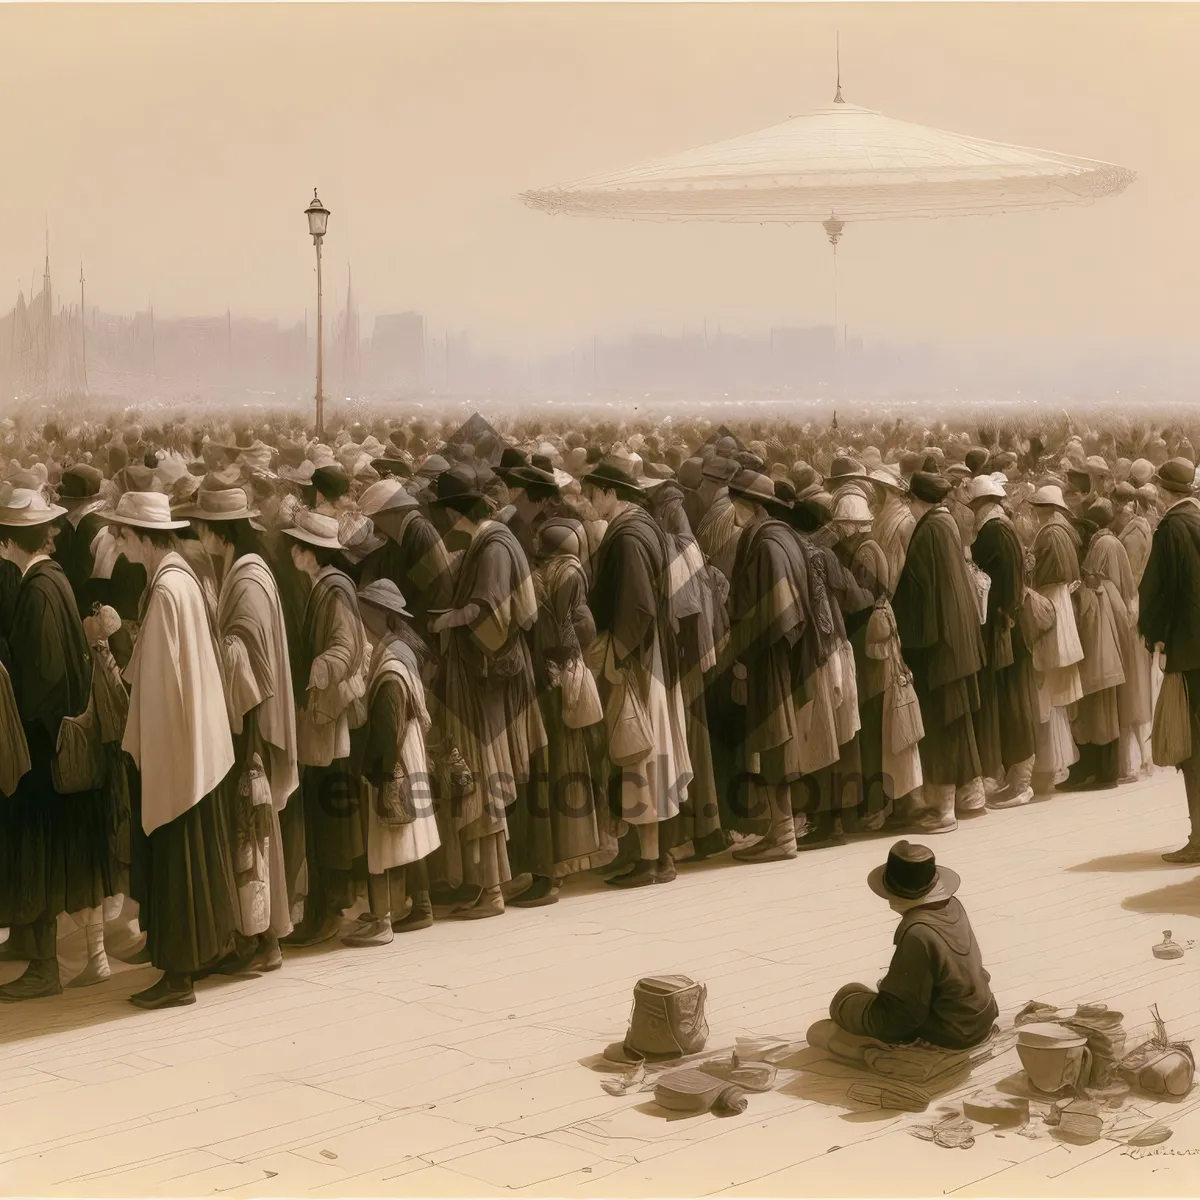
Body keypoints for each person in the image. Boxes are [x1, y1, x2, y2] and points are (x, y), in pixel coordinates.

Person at [108, 489, 240, 1009]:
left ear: (142, 537)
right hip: (198, 744)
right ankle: (196, 958)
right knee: (198, 857)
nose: (119, 544)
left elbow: (161, 684)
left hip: (176, 751)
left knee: (177, 861)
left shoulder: (164, 589)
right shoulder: (180, 576)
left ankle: (178, 974)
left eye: (123, 534)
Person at [0, 486, 113, 1001]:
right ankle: (38, 950)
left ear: (8, 543)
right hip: (56, 740)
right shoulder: (53, 579)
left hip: (42, 748)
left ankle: (45, 968)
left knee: (38, 854)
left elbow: (42, 675)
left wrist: (17, 724)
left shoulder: (38, 589)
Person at [186, 484, 299, 972]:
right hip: (246, 721)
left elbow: (246, 659)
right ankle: (255, 938)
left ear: (216, 531)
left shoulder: (247, 580)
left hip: (247, 725)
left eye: (202, 526)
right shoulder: (244, 570)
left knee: (252, 831)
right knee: (253, 832)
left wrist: (211, 646)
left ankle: (264, 941)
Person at [427, 466, 548, 917]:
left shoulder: (492, 545)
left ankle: (492, 889)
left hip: (483, 681)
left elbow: (487, 608)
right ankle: (489, 884)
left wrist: (445, 620)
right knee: (483, 776)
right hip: (485, 678)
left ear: (459, 514)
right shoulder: (495, 540)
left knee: (481, 776)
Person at [584, 453, 692, 887]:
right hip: (654, 655)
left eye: (593, 495)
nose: (591, 503)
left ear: (610, 493)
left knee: (641, 756)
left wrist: (618, 657)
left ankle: (649, 861)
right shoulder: (644, 525)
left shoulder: (627, 535)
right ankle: (655, 854)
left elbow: (638, 606)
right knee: (652, 754)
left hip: (638, 660)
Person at [281, 509, 369, 947]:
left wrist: (314, 673)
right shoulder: (321, 585)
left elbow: (346, 648)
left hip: (329, 719)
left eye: (297, 546)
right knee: (322, 817)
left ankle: (328, 910)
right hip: (322, 716)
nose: (292, 552)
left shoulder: (333, 588)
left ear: (309, 552)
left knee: (328, 818)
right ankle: (321, 908)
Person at [339, 580, 440, 944]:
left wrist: (376, 771)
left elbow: (387, 722)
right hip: (408, 745)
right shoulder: (401, 649)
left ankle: (381, 921)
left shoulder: (391, 663)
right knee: (411, 831)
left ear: (380, 615)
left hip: (395, 752)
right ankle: (423, 904)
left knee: (381, 842)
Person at [825, 840, 998, 1049]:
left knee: (846, 996)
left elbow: (902, 1018)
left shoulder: (918, 933)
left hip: (953, 1032)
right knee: (863, 994)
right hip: (980, 1016)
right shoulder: (953, 906)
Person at [891, 472, 985, 834]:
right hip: (956, 646)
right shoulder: (946, 525)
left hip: (938, 650)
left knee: (942, 731)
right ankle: (952, 804)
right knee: (955, 728)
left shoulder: (930, 529)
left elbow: (917, 592)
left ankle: (944, 811)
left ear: (917, 500)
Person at [1138, 458, 1200, 862]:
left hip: (1188, 652)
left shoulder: (1170, 528)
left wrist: (1155, 636)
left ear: (1164, 491)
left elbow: (1157, 591)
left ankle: (1199, 839)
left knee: (1191, 747)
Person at [968, 476, 1038, 809]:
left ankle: (1020, 783)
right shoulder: (1005, 528)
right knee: (1015, 702)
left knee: (1013, 705)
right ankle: (1017, 778)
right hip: (1010, 624)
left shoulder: (993, 532)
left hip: (1003, 627)